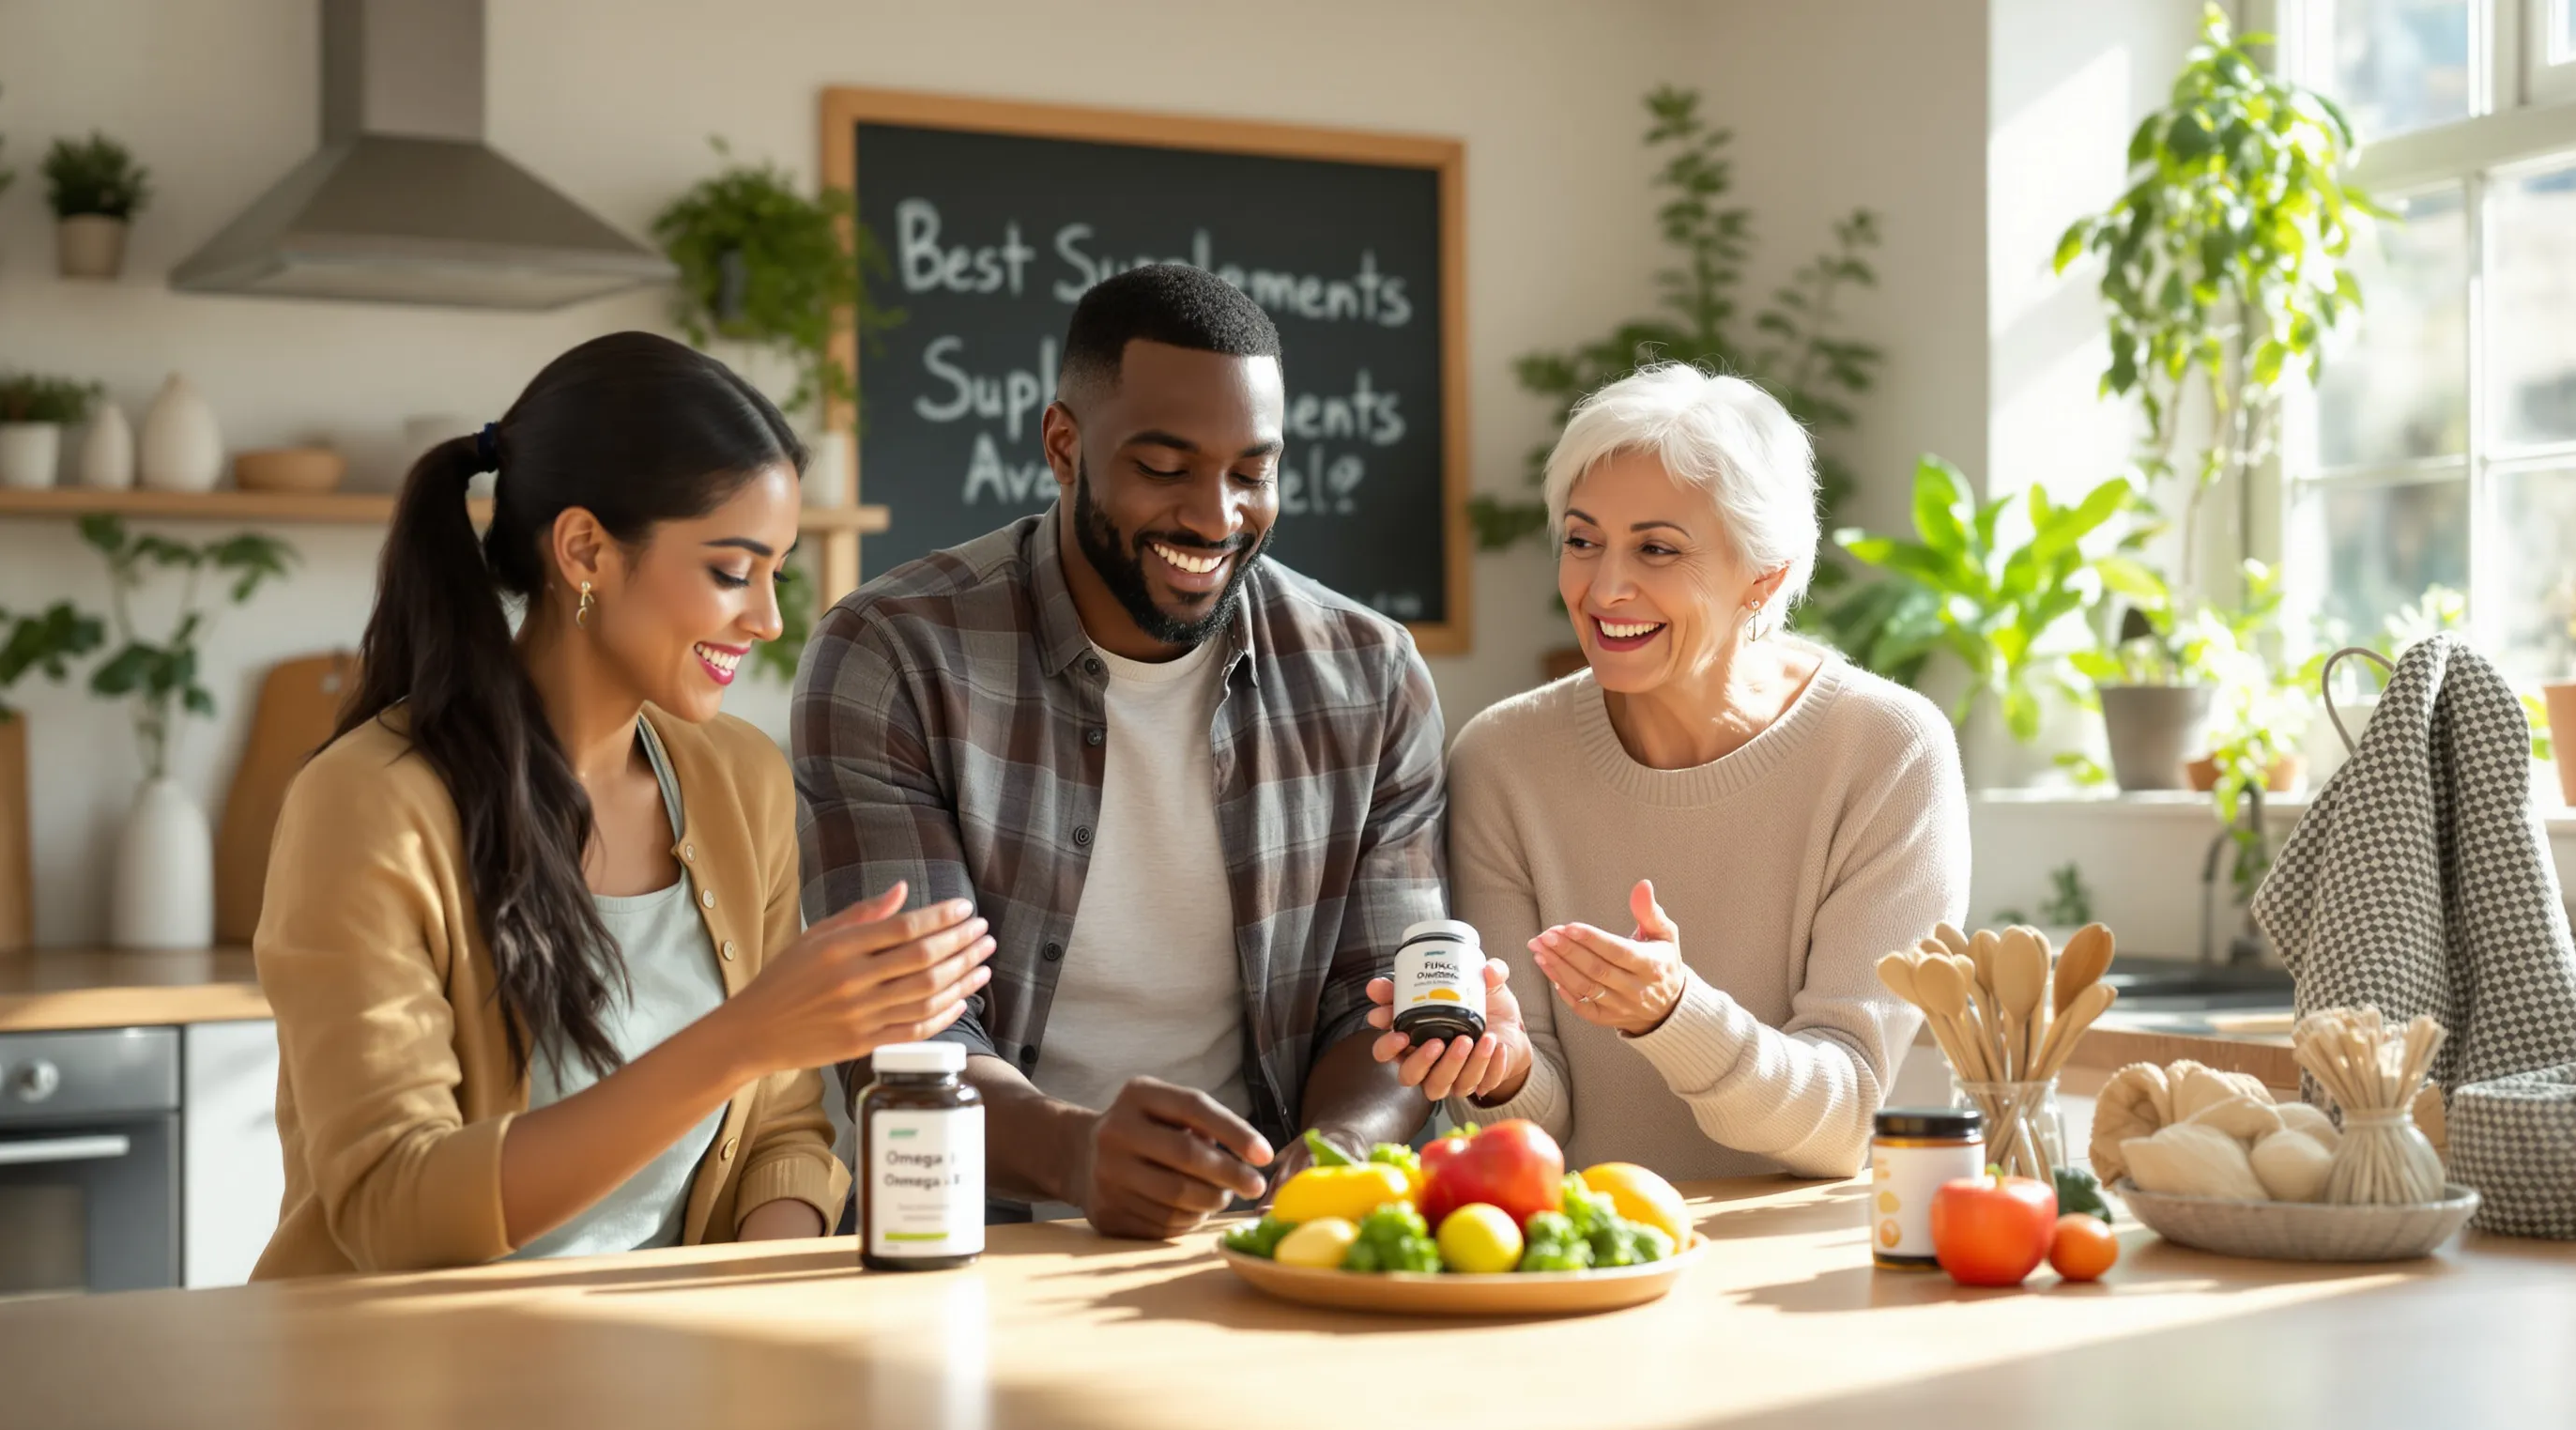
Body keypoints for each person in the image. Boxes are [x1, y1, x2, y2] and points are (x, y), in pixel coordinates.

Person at [253, 332, 994, 1279]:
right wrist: (745, 1037)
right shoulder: (368, 804)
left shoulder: (739, 782)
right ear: (586, 551)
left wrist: (751, 1319)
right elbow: (395, 1211)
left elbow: (782, 1138)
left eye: (777, 571)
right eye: (732, 570)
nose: (768, 619)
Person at [795, 265, 1446, 1238]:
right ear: (1064, 446)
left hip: (1263, 1244)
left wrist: (1331, 1168)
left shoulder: (1371, 676)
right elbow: (903, 1032)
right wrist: (1076, 1152)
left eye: (1251, 471)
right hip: (964, 1239)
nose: (1216, 516)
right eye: (1163, 466)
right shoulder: (894, 653)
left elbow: (1386, 1002)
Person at [1368, 362, 1969, 1181]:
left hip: (1786, 1276)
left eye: (1657, 549)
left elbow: (1843, 1121)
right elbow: (1535, 1127)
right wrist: (1501, 1068)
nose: (1605, 588)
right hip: (1580, 1261)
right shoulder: (1503, 761)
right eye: (1583, 541)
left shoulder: (1885, 752)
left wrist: (1675, 1015)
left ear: (1766, 578)